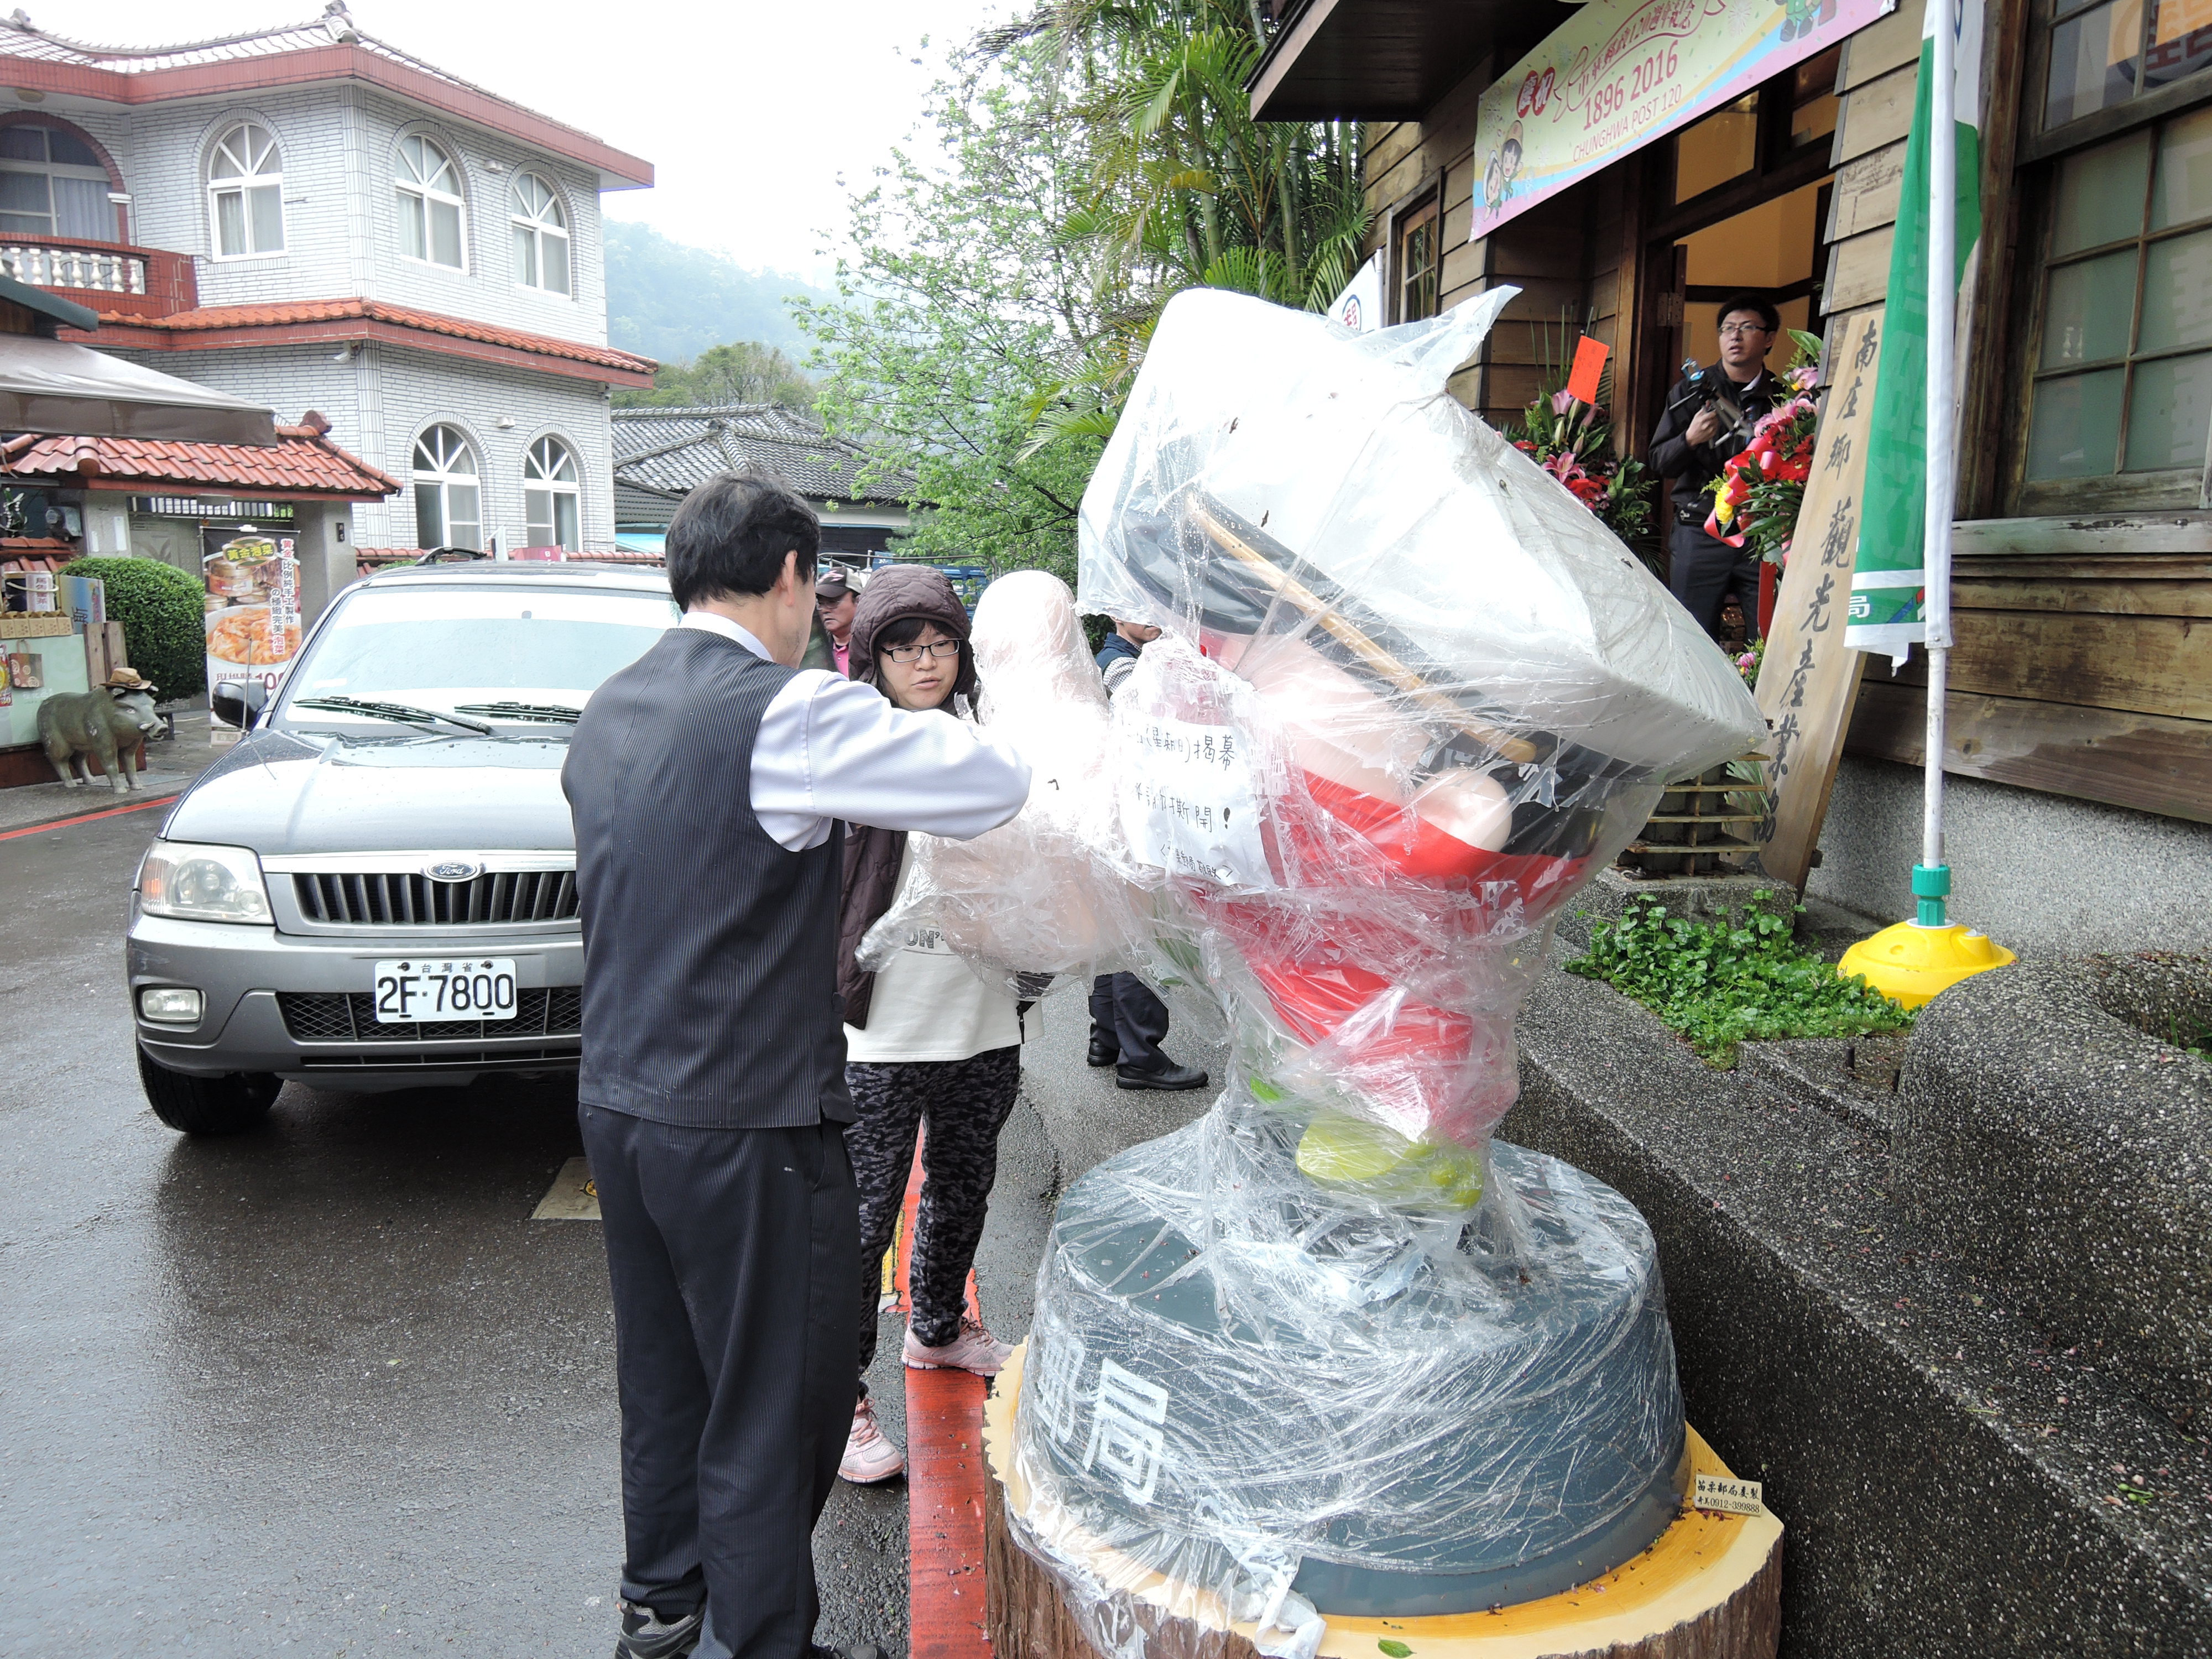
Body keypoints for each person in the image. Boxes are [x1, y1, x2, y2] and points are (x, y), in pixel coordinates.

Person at [561, 472, 1030, 1659]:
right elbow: (989, 788)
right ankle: (765, 1641)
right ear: (785, 578)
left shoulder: (610, 704)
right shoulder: (786, 714)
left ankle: (661, 1608)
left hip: (620, 1101)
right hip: (746, 1119)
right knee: (777, 1394)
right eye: (814, 592)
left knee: (665, 1375)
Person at [833, 566, 1027, 1485]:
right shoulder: (849, 744)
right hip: (880, 1032)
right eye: (904, 647)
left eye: (939, 644)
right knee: (861, 1219)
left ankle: (939, 1329)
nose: (923, 660)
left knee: (964, 1185)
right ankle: (839, 1400)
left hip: (982, 1018)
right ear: (872, 657)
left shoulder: (989, 739)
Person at [1087, 616, 1208, 1093]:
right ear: (1117, 615)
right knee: (1144, 940)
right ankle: (1142, 1057)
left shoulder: (1120, 657)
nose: (1155, 617)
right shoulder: (1119, 664)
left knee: (1116, 936)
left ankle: (1108, 1039)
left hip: (1120, 818)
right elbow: (1155, 714)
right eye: (1140, 608)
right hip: (1135, 822)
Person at [1649, 292, 1785, 644]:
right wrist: (1689, 439)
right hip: (1701, 530)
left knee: (1769, 637)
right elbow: (1659, 462)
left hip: (1762, 534)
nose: (1734, 337)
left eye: (1746, 328)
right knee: (1693, 641)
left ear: (1769, 339)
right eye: (1727, 329)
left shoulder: (1785, 398)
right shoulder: (1689, 392)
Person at [816, 570, 859, 675]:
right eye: (821, 603)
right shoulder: (814, 648)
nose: (825, 610)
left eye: (833, 602)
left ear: (858, 602)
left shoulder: (872, 649)